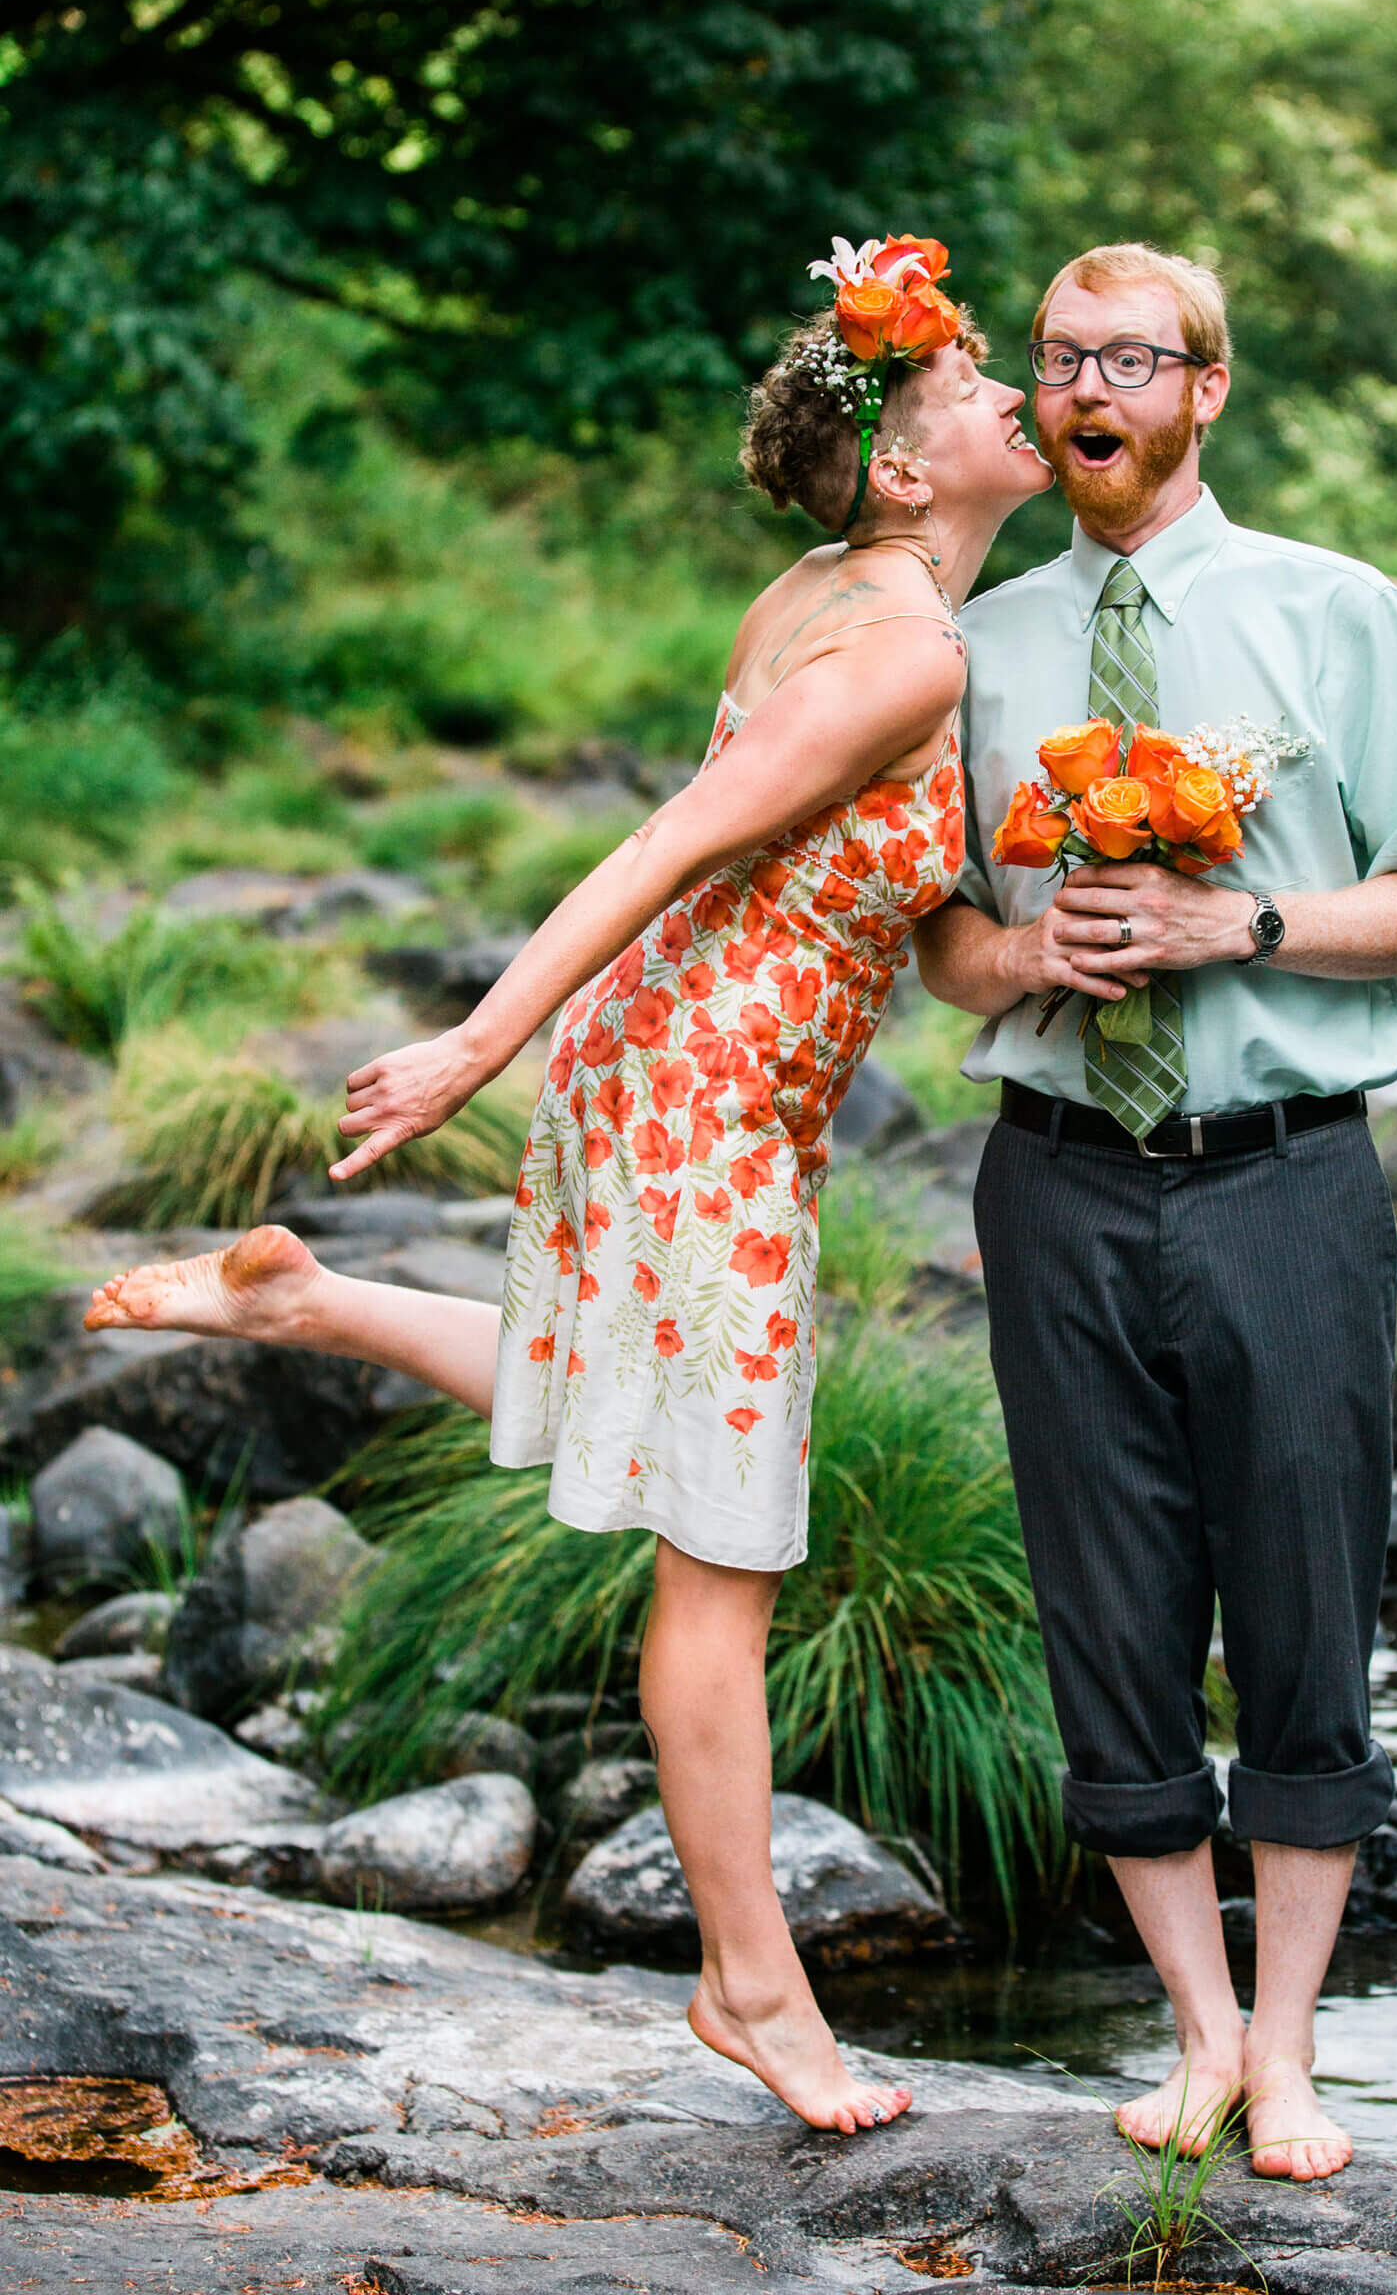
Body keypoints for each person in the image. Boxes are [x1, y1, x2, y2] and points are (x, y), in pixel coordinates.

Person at [83, 234, 1054, 2135]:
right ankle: (753, 1988)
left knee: (622, 1383)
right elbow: (681, 833)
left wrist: (1025, 947)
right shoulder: (911, 642)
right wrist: (473, 1038)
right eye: (964, 388)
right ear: (919, 470)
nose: (1009, 390)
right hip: (695, 1093)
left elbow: (854, 879)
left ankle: (305, 1302)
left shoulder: (827, 589)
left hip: (675, 1068)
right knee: (727, 1556)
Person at [914, 242, 1397, 2182]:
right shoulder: (974, 644)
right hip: (1060, 1186)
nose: (1092, 390)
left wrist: (1227, 920)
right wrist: (1022, 957)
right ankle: (1201, 2033)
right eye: (1064, 359)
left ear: (1205, 389)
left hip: (1288, 1183)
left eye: (1133, 360)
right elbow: (941, 951)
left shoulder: (1334, 614)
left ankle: (1301, 2056)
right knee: (1110, 1612)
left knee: (1311, 1602)